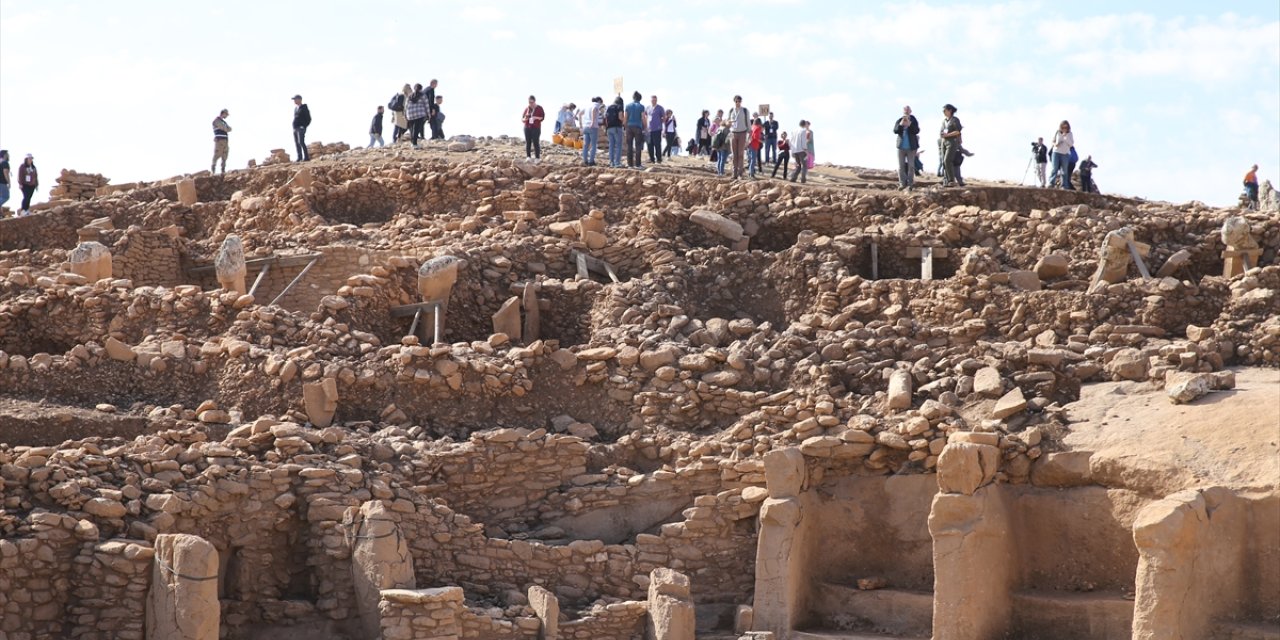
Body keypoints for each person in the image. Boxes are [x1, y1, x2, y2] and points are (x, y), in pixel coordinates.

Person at [893, 105, 920, 191]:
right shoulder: (899, 120)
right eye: (905, 109)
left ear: (910, 111)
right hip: (901, 147)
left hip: (911, 147)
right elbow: (895, 130)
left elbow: (917, 130)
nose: (906, 111)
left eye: (908, 109)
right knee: (901, 166)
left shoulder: (913, 119)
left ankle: (910, 183)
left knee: (911, 166)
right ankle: (902, 183)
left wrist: (909, 124)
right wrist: (901, 124)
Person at [938, 104, 962, 187]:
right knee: (943, 161)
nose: (943, 112)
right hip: (943, 142)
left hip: (952, 142)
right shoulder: (944, 121)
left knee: (947, 160)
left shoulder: (955, 120)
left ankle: (952, 180)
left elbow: (958, 131)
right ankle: (946, 180)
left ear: (950, 110)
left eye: (945, 110)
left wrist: (947, 135)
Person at [728, 96, 750, 178]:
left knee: (740, 154)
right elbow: (727, 122)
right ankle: (734, 173)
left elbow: (748, 122)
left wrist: (749, 134)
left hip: (742, 133)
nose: (738, 103)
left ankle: (740, 173)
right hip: (733, 133)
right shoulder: (731, 110)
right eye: (736, 101)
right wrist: (729, 122)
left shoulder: (745, 110)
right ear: (734, 101)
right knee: (734, 154)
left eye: (739, 101)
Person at [625, 91, 647, 169]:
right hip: (638, 127)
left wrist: (625, 126)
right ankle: (638, 164)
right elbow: (643, 117)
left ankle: (629, 164)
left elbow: (626, 117)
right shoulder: (641, 106)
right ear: (640, 98)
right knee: (638, 146)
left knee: (629, 146)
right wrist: (645, 126)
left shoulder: (628, 106)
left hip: (629, 127)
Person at [1050, 120, 1074, 190]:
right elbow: (1053, 141)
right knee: (1054, 168)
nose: (1064, 129)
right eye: (1063, 127)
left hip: (1065, 153)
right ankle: (1051, 183)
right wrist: (1055, 144)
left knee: (1064, 171)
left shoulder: (1070, 134)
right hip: (1056, 152)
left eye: (1066, 127)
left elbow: (1071, 144)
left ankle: (1064, 185)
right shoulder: (1057, 132)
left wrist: (1065, 138)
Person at [522, 96, 545, 160]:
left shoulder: (539, 108)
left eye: (531, 102)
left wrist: (535, 117)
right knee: (528, 142)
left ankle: (537, 158)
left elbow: (542, 117)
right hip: (527, 127)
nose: (530, 104)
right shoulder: (527, 109)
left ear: (534, 101)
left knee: (535, 142)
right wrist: (525, 119)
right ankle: (528, 157)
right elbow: (522, 119)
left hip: (536, 127)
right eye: (529, 102)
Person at [582, 97, 603, 166]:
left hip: (585, 126)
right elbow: (594, 109)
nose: (600, 105)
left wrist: (580, 123)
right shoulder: (596, 105)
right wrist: (593, 122)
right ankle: (591, 161)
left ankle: (585, 161)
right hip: (592, 127)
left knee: (586, 145)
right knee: (594, 145)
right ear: (599, 101)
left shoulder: (587, 106)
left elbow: (579, 114)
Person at [605, 96, 625, 168]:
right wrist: (624, 121)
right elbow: (620, 117)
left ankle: (611, 162)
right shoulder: (619, 106)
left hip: (609, 128)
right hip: (616, 127)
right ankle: (617, 163)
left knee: (611, 145)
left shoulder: (609, 107)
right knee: (618, 145)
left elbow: (606, 118)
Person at [646, 96, 665, 164]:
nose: (653, 101)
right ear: (650, 100)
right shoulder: (648, 108)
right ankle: (652, 159)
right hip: (649, 130)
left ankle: (659, 159)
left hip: (657, 129)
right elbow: (645, 116)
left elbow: (664, 117)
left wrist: (660, 122)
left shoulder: (660, 108)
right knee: (649, 145)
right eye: (652, 100)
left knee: (657, 144)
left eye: (655, 100)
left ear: (656, 100)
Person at [291, 95, 311, 162]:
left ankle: (306, 157)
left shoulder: (304, 108)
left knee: (301, 142)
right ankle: (299, 157)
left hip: (301, 128)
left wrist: (304, 126)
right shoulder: (296, 108)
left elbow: (308, 118)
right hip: (295, 128)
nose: (294, 101)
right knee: (297, 143)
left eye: (295, 99)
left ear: (299, 99)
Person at [212, 109, 231, 175]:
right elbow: (224, 128)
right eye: (226, 114)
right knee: (217, 154)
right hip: (219, 140)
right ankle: (213, 170)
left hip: (225, 140)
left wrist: (225, 128)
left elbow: (230, 129)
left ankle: (223, 170)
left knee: (225, 155)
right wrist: (225, 128)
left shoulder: (224, 122)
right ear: (223, 113)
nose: (226, 116)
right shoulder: (216, 120)